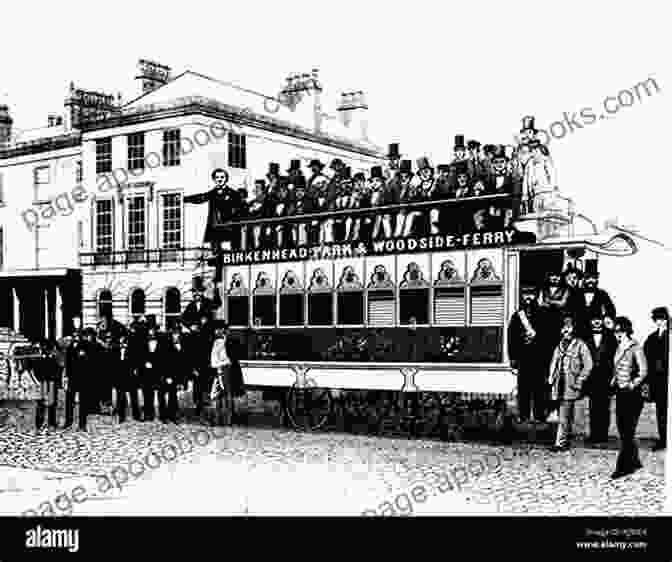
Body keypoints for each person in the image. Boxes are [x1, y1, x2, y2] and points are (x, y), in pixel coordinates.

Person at [548, 314, 593, 452]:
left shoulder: (580, 345)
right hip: (558, 384)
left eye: (569, 327)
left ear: (574, 329)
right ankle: (564, 441)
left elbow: (588, 365)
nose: (566, 331)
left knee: (564, 415)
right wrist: (551, 377)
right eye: (564, 328)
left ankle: (560, 443)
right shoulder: (559, 345)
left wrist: (580, 379)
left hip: (571, 385)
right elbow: (554, 362)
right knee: (565, 415)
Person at [610, 316, 647, 478]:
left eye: (621, 331)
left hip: (633, 394)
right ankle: (634, 460)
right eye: (616, 331)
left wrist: (632, 385)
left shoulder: (635, 348)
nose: (618, 334)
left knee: (627, 429)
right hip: (620, 392)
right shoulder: (618, 347)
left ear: (627, 331)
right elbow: (616, 368)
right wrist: (614, 381)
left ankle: (623, 467)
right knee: (623, 427)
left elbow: (643, 371)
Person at [508, 286, 546, 423]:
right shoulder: (517, 316)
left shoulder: (543, 314)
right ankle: (523, 415)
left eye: (531, 294)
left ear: (536, 295)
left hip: (538, 357)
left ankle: (539, 416)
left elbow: (548, 336)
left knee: (539, 388)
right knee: (523, 388)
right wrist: (513, 359)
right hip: (523, 357)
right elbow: (511, 338)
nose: (528, 297)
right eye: (525, 294)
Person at [184, 168, 245, 252]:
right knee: (214, 252)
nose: (219, 179)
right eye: (217, 177)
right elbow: (200, 197)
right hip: (214, 228)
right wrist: (184, 199)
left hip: (227, 228)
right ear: (214, 179)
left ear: (226, 179)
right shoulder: (212, 193)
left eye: (222, 177)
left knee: (227, 251)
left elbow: (239, 209)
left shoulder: (234, 194)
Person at [584, 315, 617, 443]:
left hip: (606, 377)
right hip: (591, 378)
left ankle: (603, 435)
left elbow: (616, 357)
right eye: (593, 319)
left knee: (604, 406)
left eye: (599, 319)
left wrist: (614, 376)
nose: (596, 322)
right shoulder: (586, 337)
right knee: (593, 406)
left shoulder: (611, 337)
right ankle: (594, 434)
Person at [209, 322, 245, 426]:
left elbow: (216, 359)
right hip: (222, 369)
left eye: (219, 330)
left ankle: (225, 420)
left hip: (223, 369)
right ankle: (224, 420)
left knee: (223, 394)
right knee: (221, 394)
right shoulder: (220, 341)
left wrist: (224, 363)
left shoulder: (221, 341)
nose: (217, 332)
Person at [643, 306, 669, 451]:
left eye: (663, 319)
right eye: (657, 319)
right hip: (657, 380)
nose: (661, 322)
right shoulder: (652, 338)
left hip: (668, 378)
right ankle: (663, 439)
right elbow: (646, 356)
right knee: (661, 411)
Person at [139, 327, 164, 422]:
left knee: (161, 394)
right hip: (146, 372)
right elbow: (140, 355)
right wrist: (144, 363)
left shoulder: (162, 342)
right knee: (147, 393)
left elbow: (164, 356)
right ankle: (148, 414)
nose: (151, 333)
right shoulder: (143, 342)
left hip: (158, 371)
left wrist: (157, 364)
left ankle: (163, 416)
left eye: (153, 331)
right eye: (150, 331)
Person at [114, 334, 142, 423]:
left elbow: (136, 363)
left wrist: (135, 372)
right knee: (121, 398)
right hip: (120, 377)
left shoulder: (132, 351)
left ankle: (137, 415)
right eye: (121, 343)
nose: (122, 344)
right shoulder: (116, 351)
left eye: (124, 342)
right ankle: (121, 416)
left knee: (134, 397)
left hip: (130, 377)